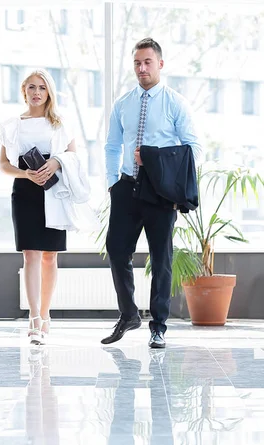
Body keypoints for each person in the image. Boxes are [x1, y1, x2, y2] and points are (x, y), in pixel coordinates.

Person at [102, 38, 202, 348]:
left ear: (160, 64)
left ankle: (159, 325)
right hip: (126, 187)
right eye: (137, 63)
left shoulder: (175, 103)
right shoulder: (123, 103)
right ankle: (129, 314)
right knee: (117, 250)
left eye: (147, 62)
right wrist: (111, 182)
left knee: (161, 259)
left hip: (160, 193)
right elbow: (112, 145)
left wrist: (155, 161)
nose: (141, 68)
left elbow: (193, 149)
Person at [0, 69, 77, 345]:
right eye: (31, 87)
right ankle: (34, 319)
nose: (36, 92)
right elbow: (4, 165)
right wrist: (26, 175)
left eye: (42, 88)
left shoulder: (60, 124)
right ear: (23, 91)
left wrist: (55, 163)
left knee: (49, 256)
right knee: (30, 254)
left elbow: (73, 157)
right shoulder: (12, 125)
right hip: (25, 192)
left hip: (54, 191)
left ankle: (45, 314)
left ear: (49, 92)